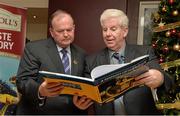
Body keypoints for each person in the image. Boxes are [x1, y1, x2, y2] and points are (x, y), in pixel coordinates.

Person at [84, 9, 173, 115]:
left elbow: (169, 81)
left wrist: (160, 78)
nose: (107, 34)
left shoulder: (145, 52)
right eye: (104, 29)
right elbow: (86, 92)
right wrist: (80, 101)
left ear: (125, 31)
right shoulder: (91, 61)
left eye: (113, 29)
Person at [15, 9, 92, 114]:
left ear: (74, 28)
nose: (66, 34)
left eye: (69, 30)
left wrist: (81, 102)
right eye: (60, 31)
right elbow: (22, 81)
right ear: (51, 31)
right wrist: (40, 90)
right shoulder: (34, 49)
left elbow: (85, 86)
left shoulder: (82, 54)